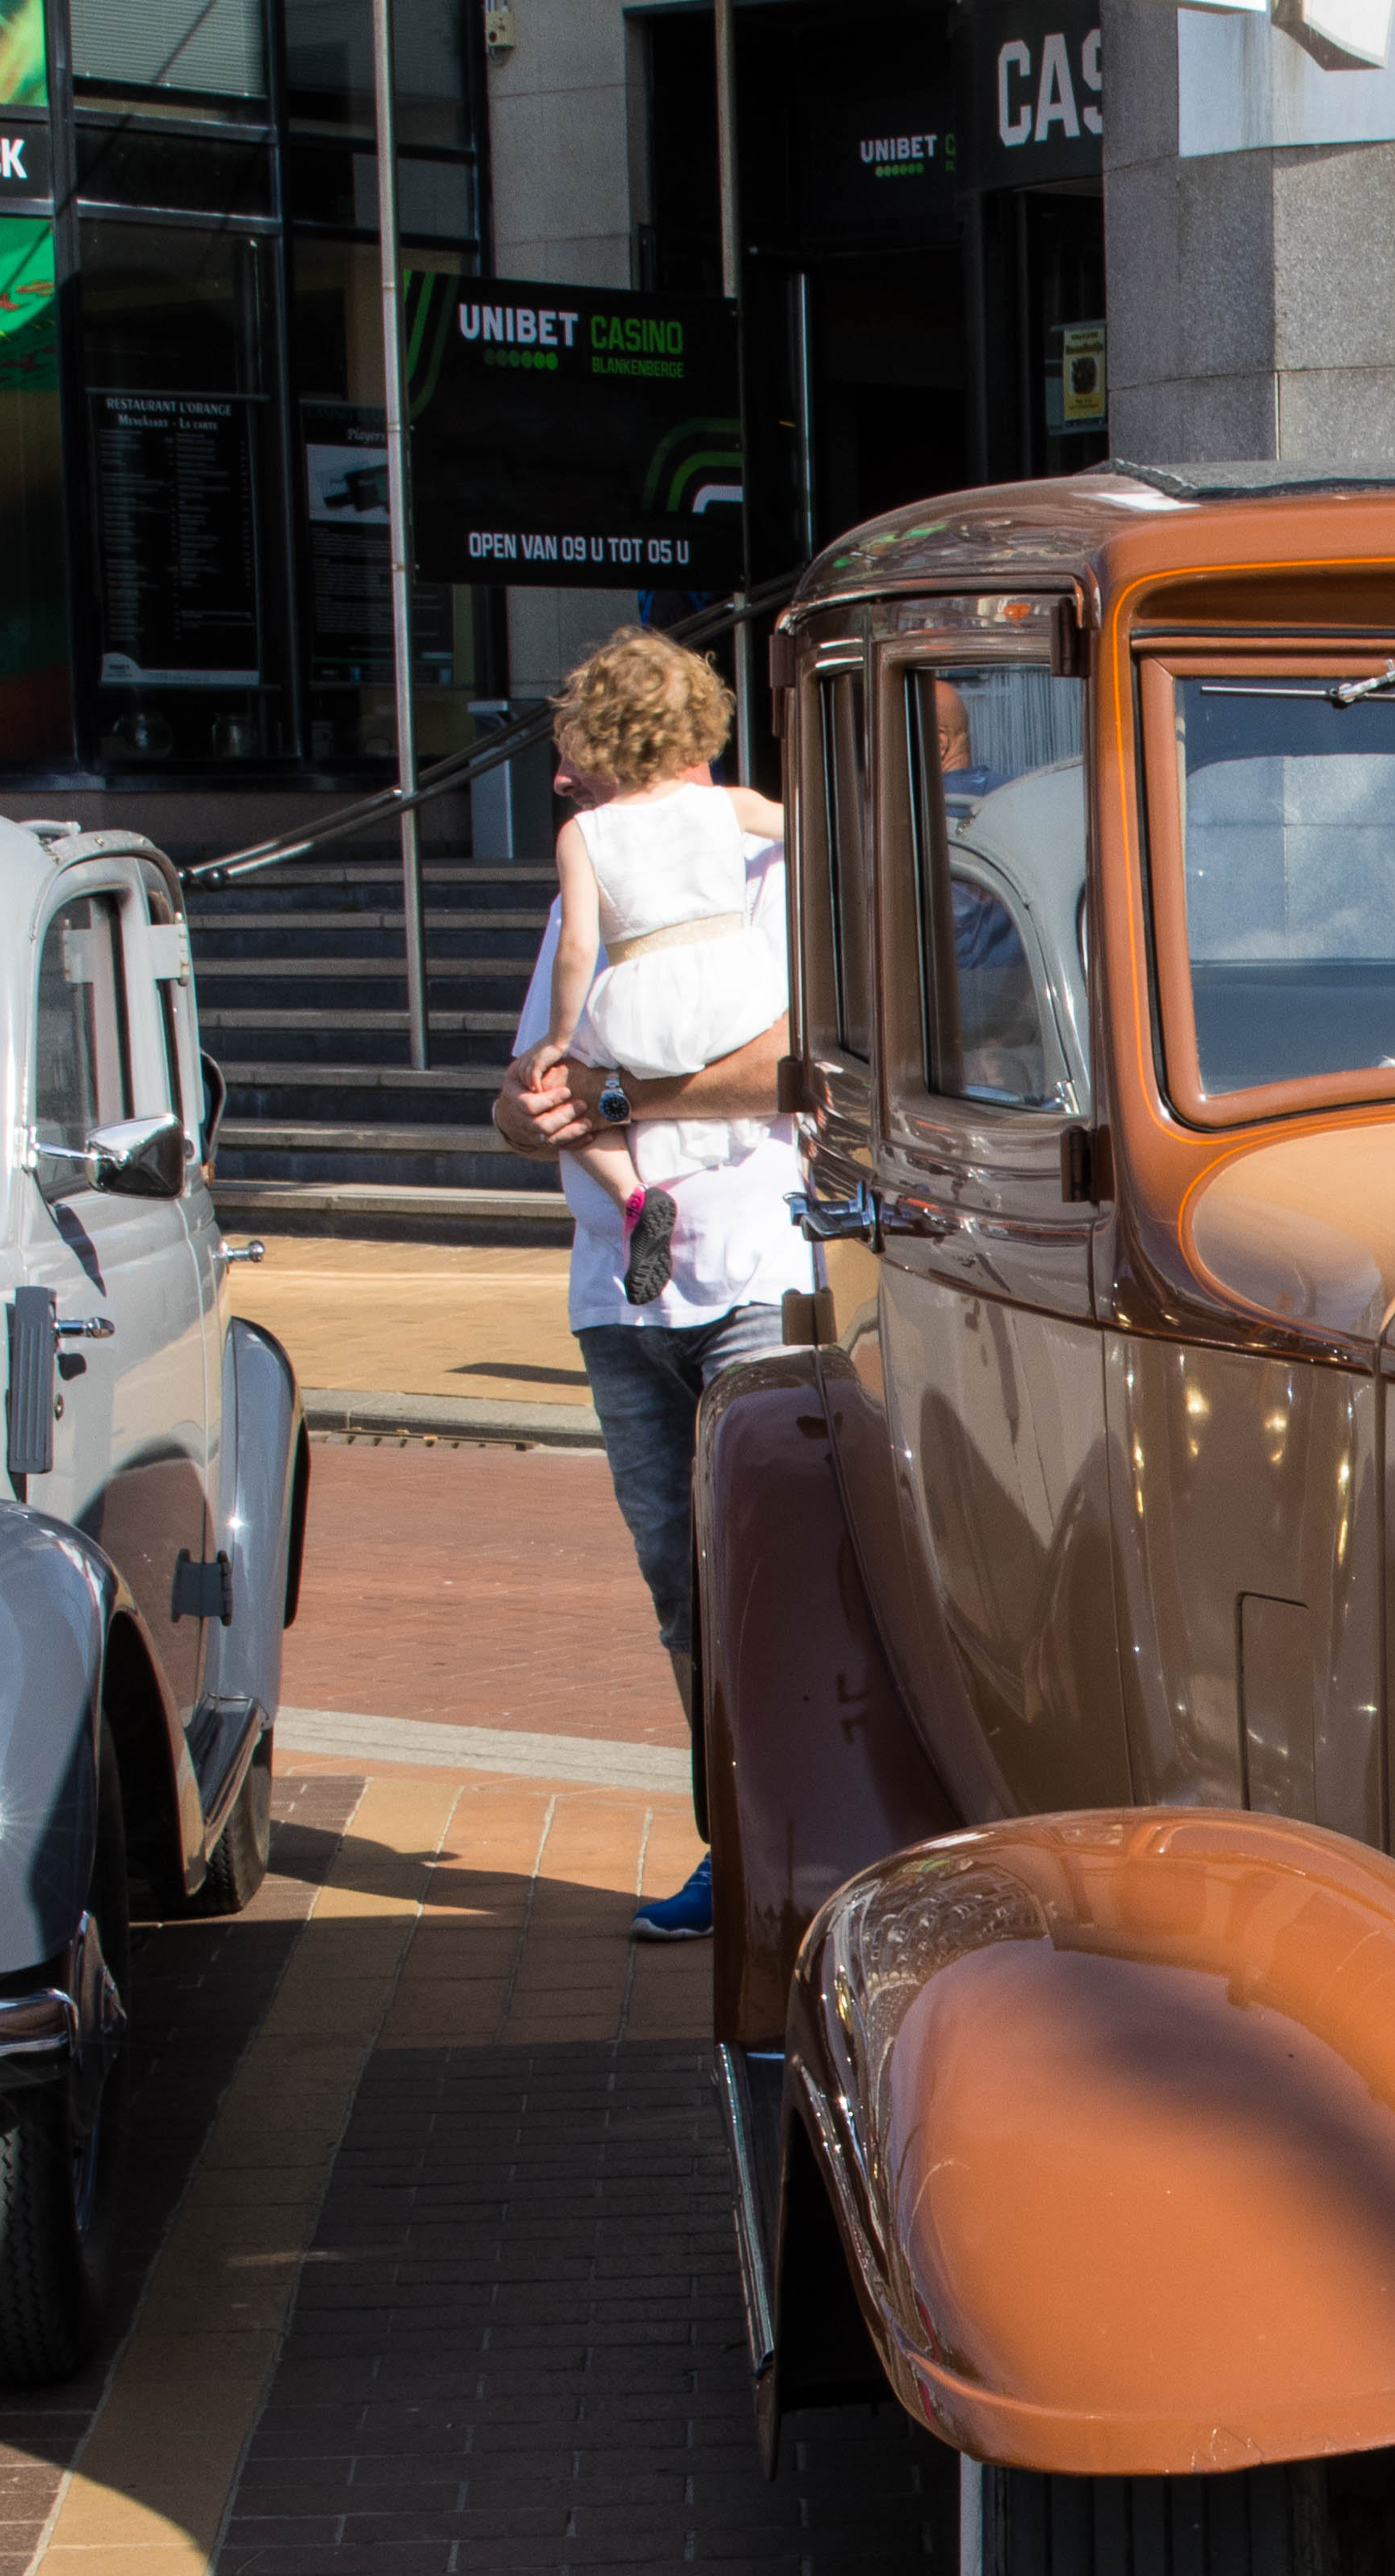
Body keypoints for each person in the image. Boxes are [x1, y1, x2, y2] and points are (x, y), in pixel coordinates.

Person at [491, 638, 807, 1941]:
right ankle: (732, 1846)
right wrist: (528, 1105)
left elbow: (796, 1067)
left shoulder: (771, 868)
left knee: (771, 1578)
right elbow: (529, 1093)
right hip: (621, 1300)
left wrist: (612, 1097)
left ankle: (800, 1844)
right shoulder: (596, 881)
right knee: (685, 1588)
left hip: (752, 1266)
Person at [532, 629, 790, 1303]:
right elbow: (810, 827)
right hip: (736, 986)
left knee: (567, 1083)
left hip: (644, 996)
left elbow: (578, 949)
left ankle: (633, 1195)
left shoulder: (583, 834)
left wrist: (561, 1040)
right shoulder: (725, 807)